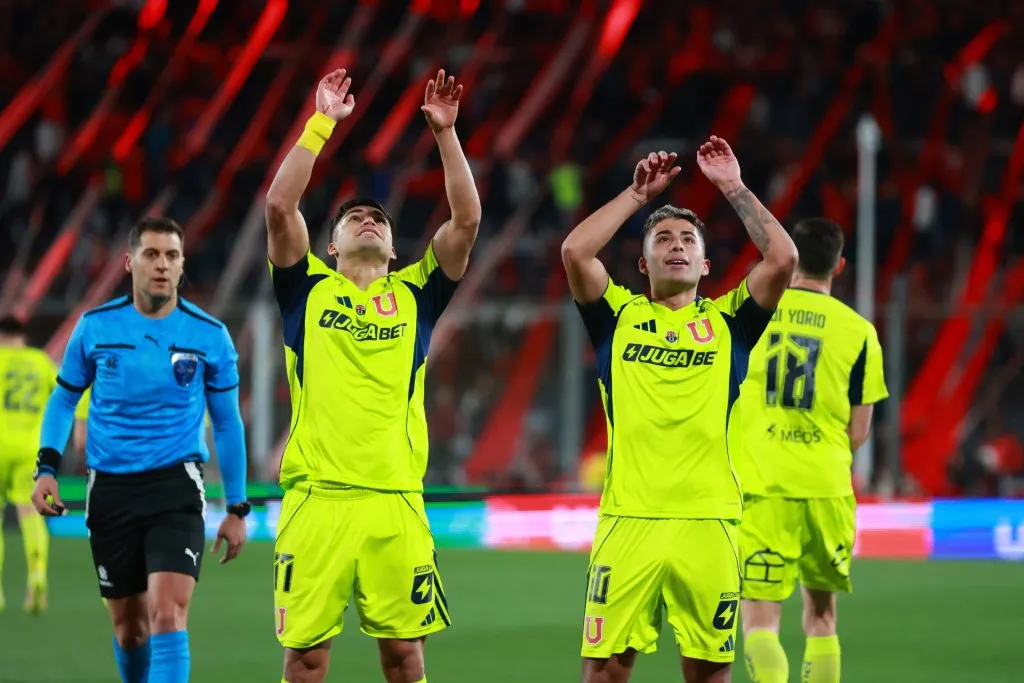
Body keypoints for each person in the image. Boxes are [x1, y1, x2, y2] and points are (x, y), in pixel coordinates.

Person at [264, 67, 481, 683]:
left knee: (405, 658)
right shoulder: (306, 288)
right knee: (306, 661)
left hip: (395, 501)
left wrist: (445, 134)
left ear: (394, 250)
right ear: (329, 247)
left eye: (379, 220)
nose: (369, 220)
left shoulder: (417, 294)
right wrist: (321, 122)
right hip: (317, 499)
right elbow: (279, 205)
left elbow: (466, 222)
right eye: (354, 217)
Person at [562, 137, 799, 683]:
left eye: (688, 239)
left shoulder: (730, 323)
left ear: (705, 264)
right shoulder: (616, 317)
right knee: (604, 672)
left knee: (709, 674)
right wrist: (636, 196)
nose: (676, 246)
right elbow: (575, 252)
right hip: (629, 520)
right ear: (642, 264)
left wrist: (734, 187)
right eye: (663, 239)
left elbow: (783, 258)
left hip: (709, 522)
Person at [31, 216, 250, 683]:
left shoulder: (209, 335)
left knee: (168, 614)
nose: (162, 265)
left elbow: (228, 423)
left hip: (176, 487)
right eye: (151, 254)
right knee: (130, 631)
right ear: (130, 262)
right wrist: (46, 468)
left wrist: (236, 506)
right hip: (110, 491)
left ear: (182, 264)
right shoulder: (95, 327)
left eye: (172, 255)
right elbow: (63, 400)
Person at [735, 217, 888, 683]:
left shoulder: (753, 313)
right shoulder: (860, 331)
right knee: (822, 616)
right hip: (827, 487)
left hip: (763, 485)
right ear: (839, 266)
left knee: (760, 618)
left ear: (792, 258)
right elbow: (858, 431)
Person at [0, 315, 59, 614]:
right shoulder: (40, 361)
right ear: (22, 336)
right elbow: (66, 394)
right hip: (30, 448)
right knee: (31, 512)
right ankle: (37, 575)